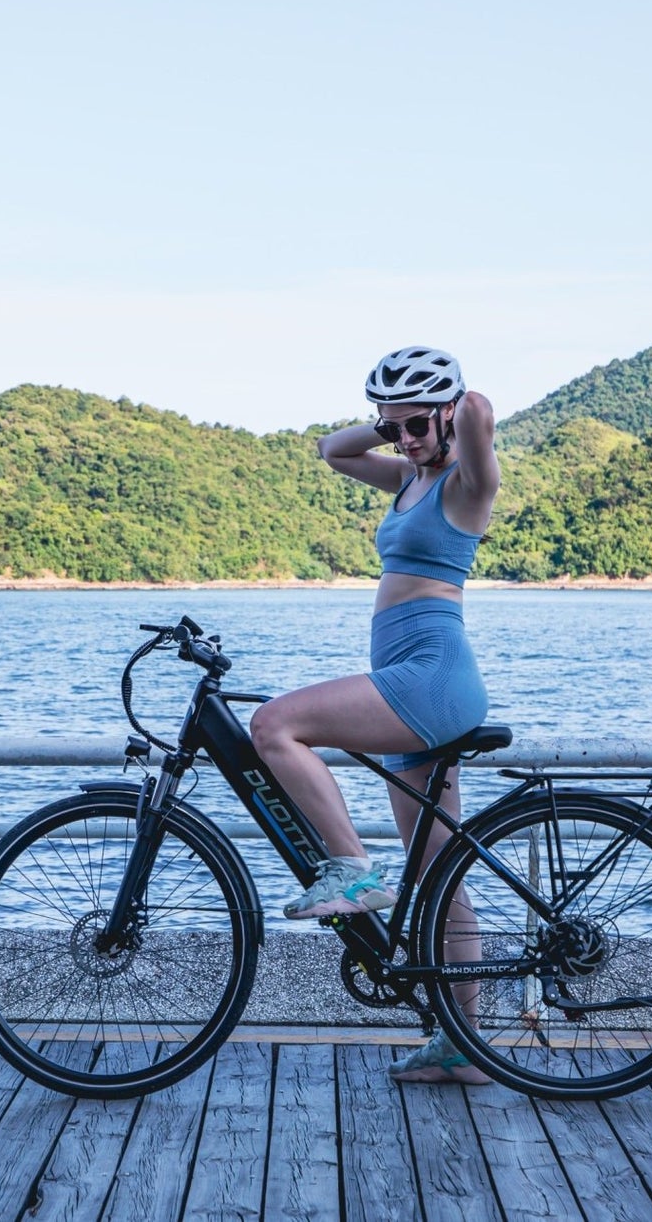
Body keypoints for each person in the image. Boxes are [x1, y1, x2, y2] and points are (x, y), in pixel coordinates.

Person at [247, 345, 498, 1083]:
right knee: (438, 869)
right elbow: (332, 449)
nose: (408, 438)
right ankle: (466, 1045)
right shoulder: (409, 476)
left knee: (274, 725)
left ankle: (350, 868)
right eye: (396, 428)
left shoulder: (466, 485)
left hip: (430, 678)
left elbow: (479, 415)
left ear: (447, 412)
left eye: (420, 424)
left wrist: (451, 410)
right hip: (407, 680)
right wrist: (394, 426)